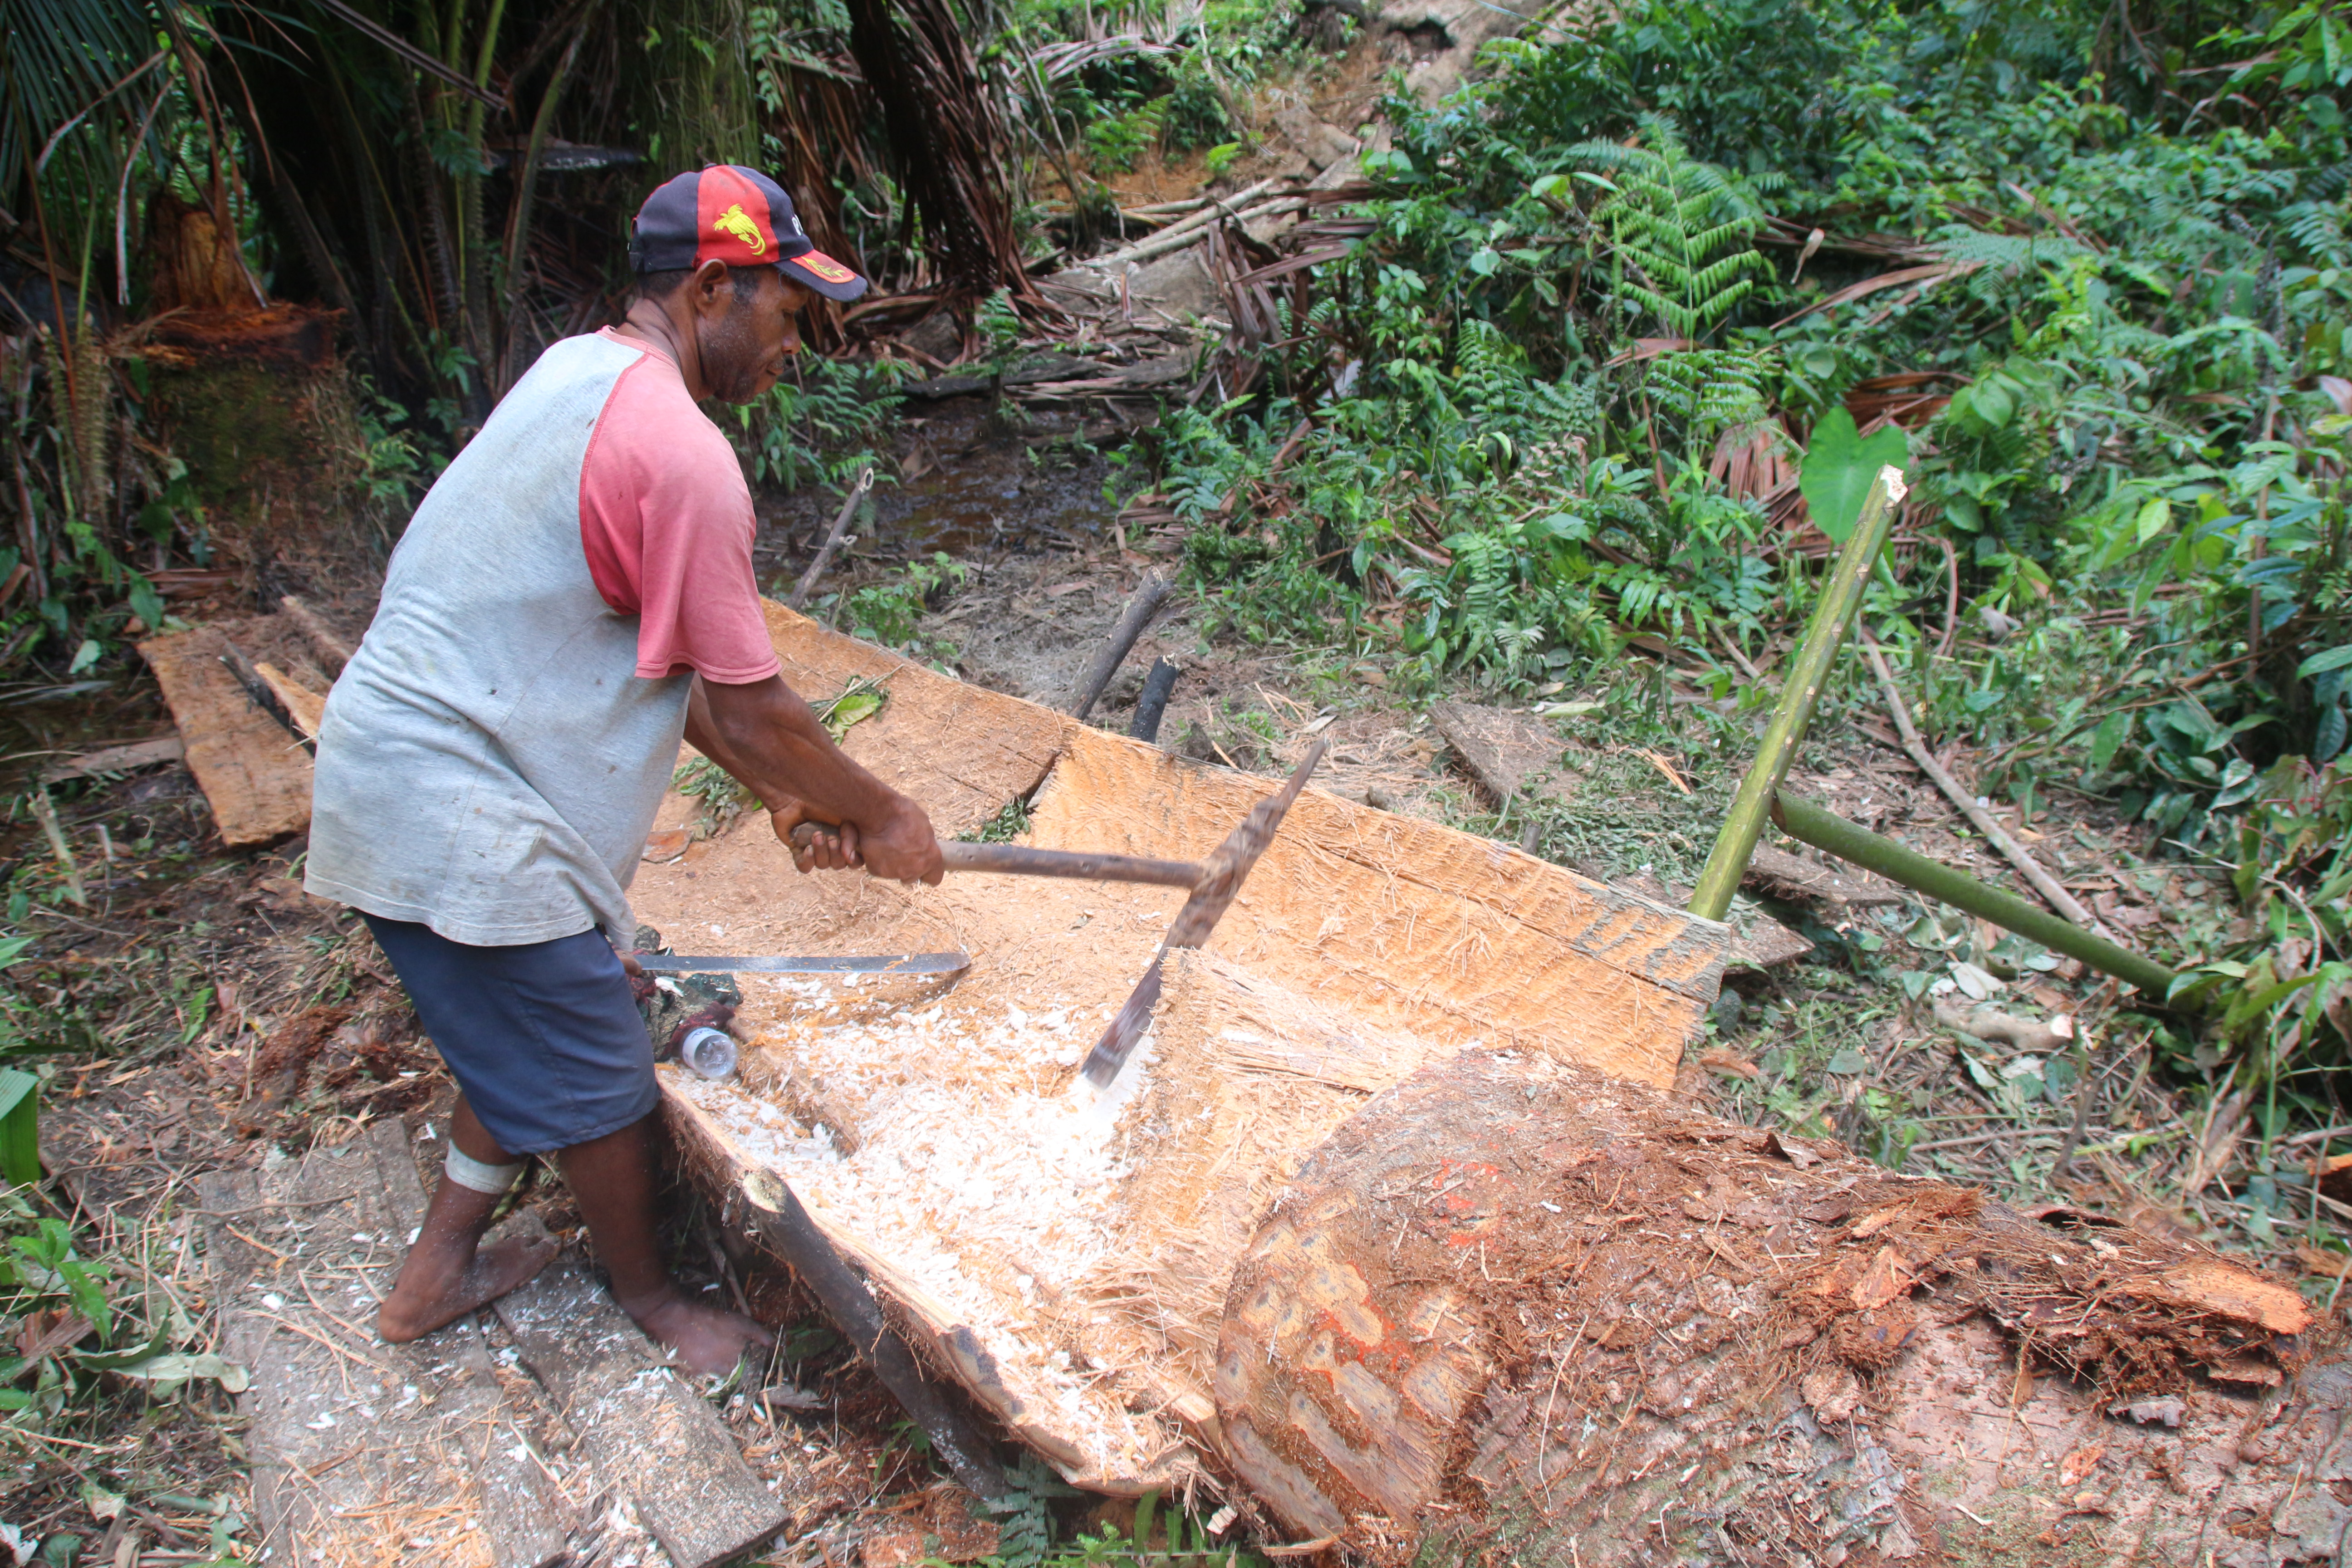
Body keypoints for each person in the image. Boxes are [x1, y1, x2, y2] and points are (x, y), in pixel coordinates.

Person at [304, 166, 944, 1374]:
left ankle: (436, 1275)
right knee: (598, 1067)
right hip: (453, 799)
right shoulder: (684, 455)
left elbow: (681, 669)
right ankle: (657, 1302)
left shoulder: (579, 375)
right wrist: (889, 814)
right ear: (709, 289)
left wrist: (792, 798)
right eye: (785, 313)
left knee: (530, 1027)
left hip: (406, 771)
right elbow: (754, 710)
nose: (794, 346)